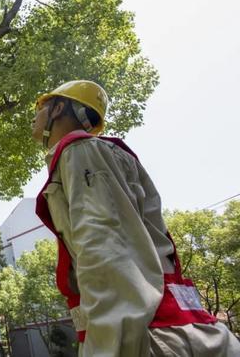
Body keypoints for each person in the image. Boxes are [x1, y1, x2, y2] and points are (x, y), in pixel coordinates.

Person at [31, 80, 240, 356]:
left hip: (149, 336)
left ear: (58, 108)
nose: (35, 115)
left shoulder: (79, 152)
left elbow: (104, 243)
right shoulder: (114, 155)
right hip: (187, 328)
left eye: (42, 106)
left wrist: (109, 343)